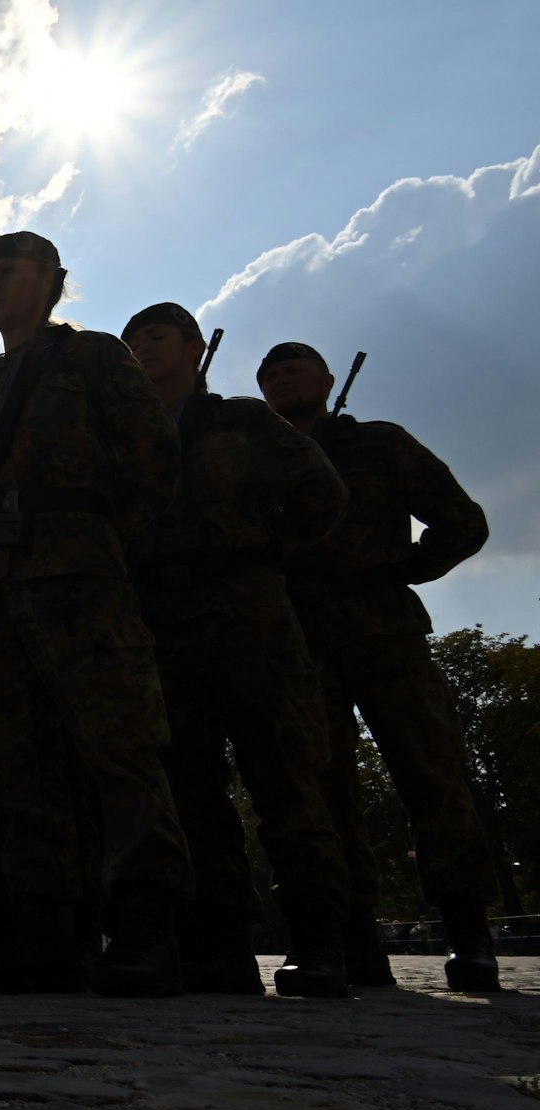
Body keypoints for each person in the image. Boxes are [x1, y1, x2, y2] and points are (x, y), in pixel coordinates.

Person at [0, 232, 193, 996]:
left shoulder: (92, 357)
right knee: (15, 763)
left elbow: (153, 456)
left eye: (7, 273)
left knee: (120, 747)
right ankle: (47, 929)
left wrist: (95, 536)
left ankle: (148, 925)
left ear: (53, 279)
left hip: (78, 571)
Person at [124, 302, 352, 998]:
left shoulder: (243, 421)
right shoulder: (126, 438)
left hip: (246, 614)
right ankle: (220, 942)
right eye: (132, 341)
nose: (143, 349)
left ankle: (321, 941)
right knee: (190, 785)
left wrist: (261, 551)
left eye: (157, 337)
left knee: (284, 775)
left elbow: (323, 493)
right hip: (163, 619)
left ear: (194, 346)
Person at [258, 340, 500, 991]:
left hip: (383, 630)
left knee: (433, 775)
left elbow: (461, 522)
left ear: (328, 378)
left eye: (294, 369)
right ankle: (352, 936)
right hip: (303, 641)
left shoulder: (379, 443)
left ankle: (469, 932)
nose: (282, 381)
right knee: (321, 790)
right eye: (271, 376)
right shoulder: (266, 465)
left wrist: (398, 571)